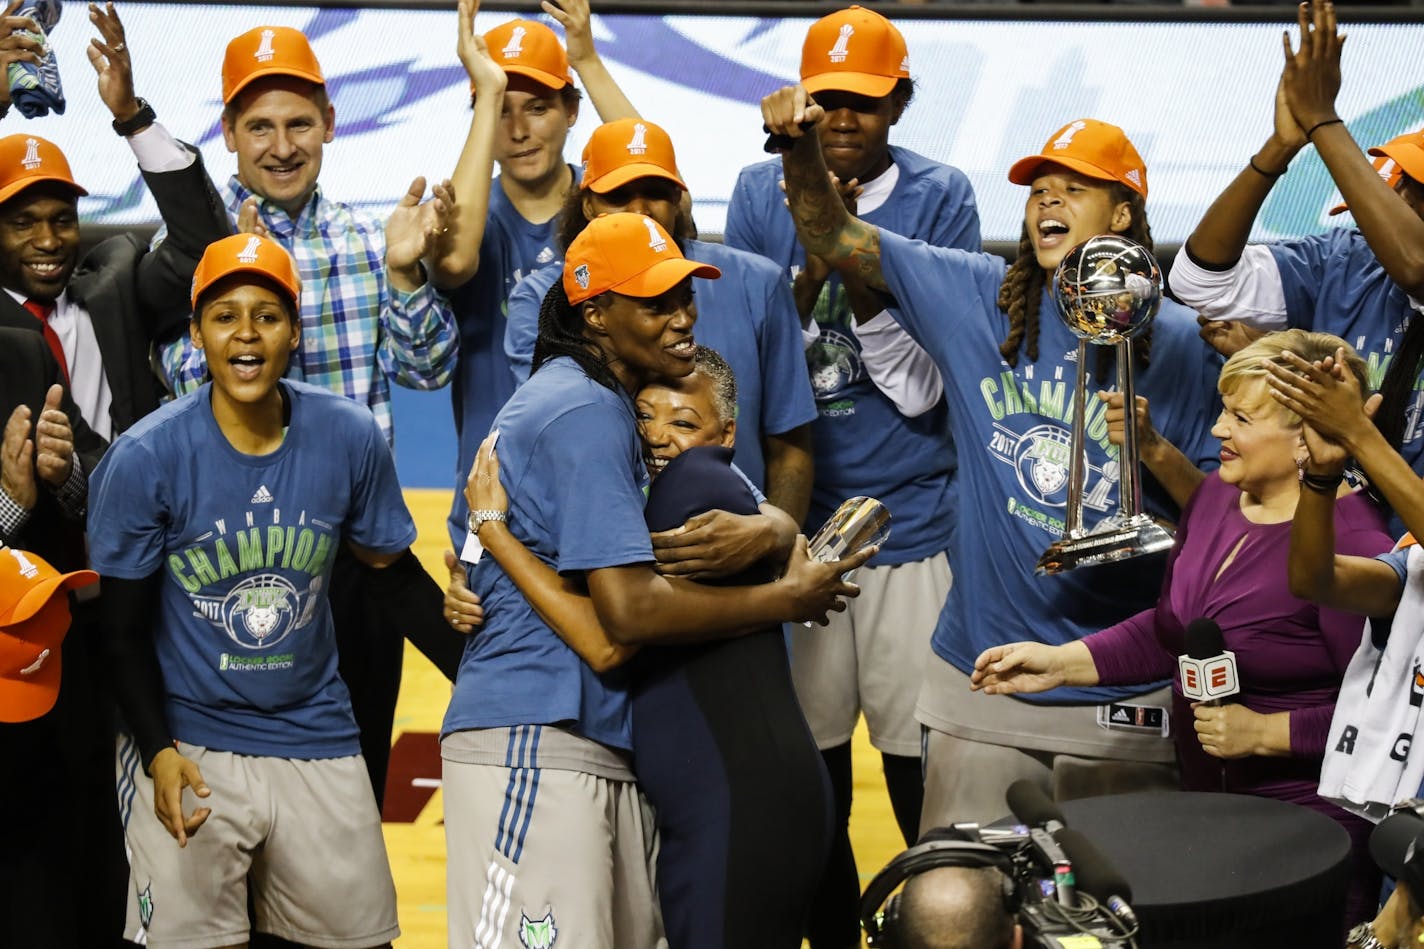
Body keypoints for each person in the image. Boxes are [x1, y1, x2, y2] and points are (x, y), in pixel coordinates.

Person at [764, 88, 1224, 833]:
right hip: (984, 679)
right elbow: (835, 234)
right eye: (1040, 190)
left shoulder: (1177, 340)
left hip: (1123, 685)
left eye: (1074, 188)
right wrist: (798, 150)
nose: (1048, 199)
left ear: (1123, 215)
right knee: (959, 907)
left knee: (1119, 917)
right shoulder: (976, 296)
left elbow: (1220, 518)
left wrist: (1154, 454)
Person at [439, 212, 868, 949]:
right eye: (656, 302)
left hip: (591, 739)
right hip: (535, 734)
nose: (682, 318)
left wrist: (775, 526)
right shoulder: (582, 409)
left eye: (684, 297)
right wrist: (784, 598)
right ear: (596, 313)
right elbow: (624, 622)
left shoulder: (594, 407)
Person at [972, 329, 1391, 926]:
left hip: (1312, 827)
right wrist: (1061, 662)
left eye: (1241, 417)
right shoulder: (1218, 497)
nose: (1219, 430)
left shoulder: (1354, 543)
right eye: (1224, 410)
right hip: (1208, 806)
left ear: (1308, 435)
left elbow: (1385, 715)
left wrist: (1269, 732)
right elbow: (1174, 627)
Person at [152, 22, 461, 803]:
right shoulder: (190, 246)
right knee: (235, 789)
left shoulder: (369, 239)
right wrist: (244, 280)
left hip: (360, 563)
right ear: (227, 133)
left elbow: (427, 369)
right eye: (259, 125)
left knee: (353, 781)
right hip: (233, 559)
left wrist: (405, 274)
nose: (281, 146)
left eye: (297, 123)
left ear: (329, 122)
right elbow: (177, 394)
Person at [725, 10, 979, 941]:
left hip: (914, 525)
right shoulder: (759, 190)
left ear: (901, 103)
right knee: (809, 773)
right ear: (799, 101)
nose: (843, 119)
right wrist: (801, 213)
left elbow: (922, 380)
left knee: (921, 772)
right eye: (826, 100)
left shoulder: (941, 196)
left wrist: (836, 234)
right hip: (801, 532)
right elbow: (757, 357)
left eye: (865, 104)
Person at [88, 233, 417, 949]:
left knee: (363, 940)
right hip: (191, 740)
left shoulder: (348, 435)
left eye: (266, 316)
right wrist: (156, 750)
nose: (245, 333)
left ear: (294, 332)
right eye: (224, 315)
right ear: (197, 335)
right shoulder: (147, 457)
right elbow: (118, 631)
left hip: (316, 734)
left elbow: (393, 577)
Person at [1171, 2, 1424, 512]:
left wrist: (1322, 119)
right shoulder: (1347, 258)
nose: (1378, 218)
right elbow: (1201, 283)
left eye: (1408, 191)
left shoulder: (1403, 261)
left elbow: (1417, 265)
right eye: (1377, 198)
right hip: (1332, 532)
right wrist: (1281, 147)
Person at [503, 116, 817, 523]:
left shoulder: (756, 282)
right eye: (618, 195)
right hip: (603, 543)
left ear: (678, 200)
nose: (640, 211)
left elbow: (789, 442)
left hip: (738, 547)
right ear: (586, 204)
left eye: (655, 193)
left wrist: (779, 543)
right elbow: (552, 442)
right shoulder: (547, 299)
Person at [435, 0, 639, 549]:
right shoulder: (474, 215)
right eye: (502, 109)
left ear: (572, 111)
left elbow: (654, 178)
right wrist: (486, 93)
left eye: (539, 107)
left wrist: (588, 60)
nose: (519, 130)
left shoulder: (607, 213)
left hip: (599, 486)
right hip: (492, 503)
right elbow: (453, 260)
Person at [0, 3, 232, 441]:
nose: (48, 240)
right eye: (23, 223)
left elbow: (204, 251)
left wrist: (133, 119)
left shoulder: (113, 291)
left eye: (62, 219)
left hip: (133, 508)